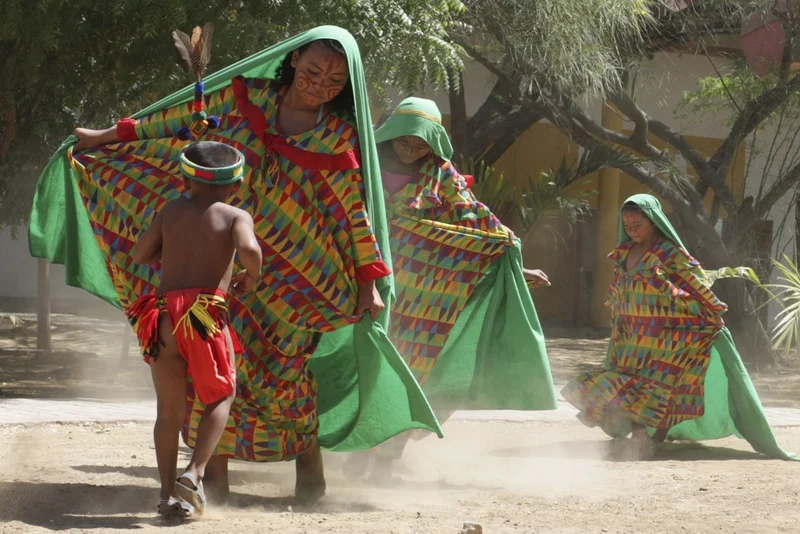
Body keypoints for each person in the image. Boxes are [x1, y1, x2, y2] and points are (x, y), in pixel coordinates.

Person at [29, 26, 442, 505]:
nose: (320, 84)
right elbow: (178, 120)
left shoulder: (338, 134)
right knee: (219, 378)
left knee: (286, 374)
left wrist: (369, 280)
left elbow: (352, 212)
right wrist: (107, 136)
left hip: (299, 278)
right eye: (312, 70)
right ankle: (211, 481)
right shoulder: (245, 99)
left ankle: (310, 478)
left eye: (334, 80)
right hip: (223, 280)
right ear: (293, 62)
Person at [343, 97, 558, 482]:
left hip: (426, 294)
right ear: (391, 132)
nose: (411, 150)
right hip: (364, 281)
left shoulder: (443, 174)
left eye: (421, 144)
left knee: (414, 372)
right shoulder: (362, 164)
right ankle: (359, 446)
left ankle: (388, 458)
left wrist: (514, 264)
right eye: (404, 141)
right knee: (365, 367)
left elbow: (477, 219)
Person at [562, 194, 794, 461]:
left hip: (666, 335)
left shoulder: (669, 253)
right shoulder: (624, 253)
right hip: (631, 335)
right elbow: (619, 290)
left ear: (654, 222)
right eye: (627, 225)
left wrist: (713, 309)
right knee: (627, 383)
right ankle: (644, 437)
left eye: (638, 224)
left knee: (663, 384)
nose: (632, 230)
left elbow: (694, 283)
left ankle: (649, 438)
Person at [126, 141, 261, 518]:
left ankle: (167, 494)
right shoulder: (236, 215)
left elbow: (139, 254)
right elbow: (249, 250)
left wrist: (168, 256)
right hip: (203, 315)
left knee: (168, 411)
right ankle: (195, 473)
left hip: (163, 316)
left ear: (187, 179)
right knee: (220, 394)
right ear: (235, 185)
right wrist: (252, 275)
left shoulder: (170, 211)